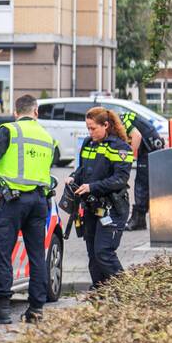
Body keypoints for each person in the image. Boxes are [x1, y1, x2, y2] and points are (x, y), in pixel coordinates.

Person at [0, 93, 57, 324]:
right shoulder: (47, 137)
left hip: (13, 202)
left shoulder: (9, 130)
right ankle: (36, 309)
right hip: (39, 202)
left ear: (15, 112)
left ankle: (2, 309)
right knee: (37, 255)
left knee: (3, 253)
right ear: (36, 112)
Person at [66, 107, 133, 289]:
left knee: (104, 252)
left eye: (93, 128)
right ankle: (100, 292)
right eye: (88, 128)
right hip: (91, 207)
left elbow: (120, 179)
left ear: (106, 125)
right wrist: (73, 177)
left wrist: (92, 187)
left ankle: (126, 291)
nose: (90, 132)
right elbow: (83, 169)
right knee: (93, 255)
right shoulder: (88, 143)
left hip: (113, 208)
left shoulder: (120, 147)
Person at [120, 107, 164, 231]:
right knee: (143, 183)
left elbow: (137, 136)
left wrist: (130, 158)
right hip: (149, 147)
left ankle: (139, 219)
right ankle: (140, 219)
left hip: (149, 149)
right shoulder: (125, 118)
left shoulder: (123, 121)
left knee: (141, 184)